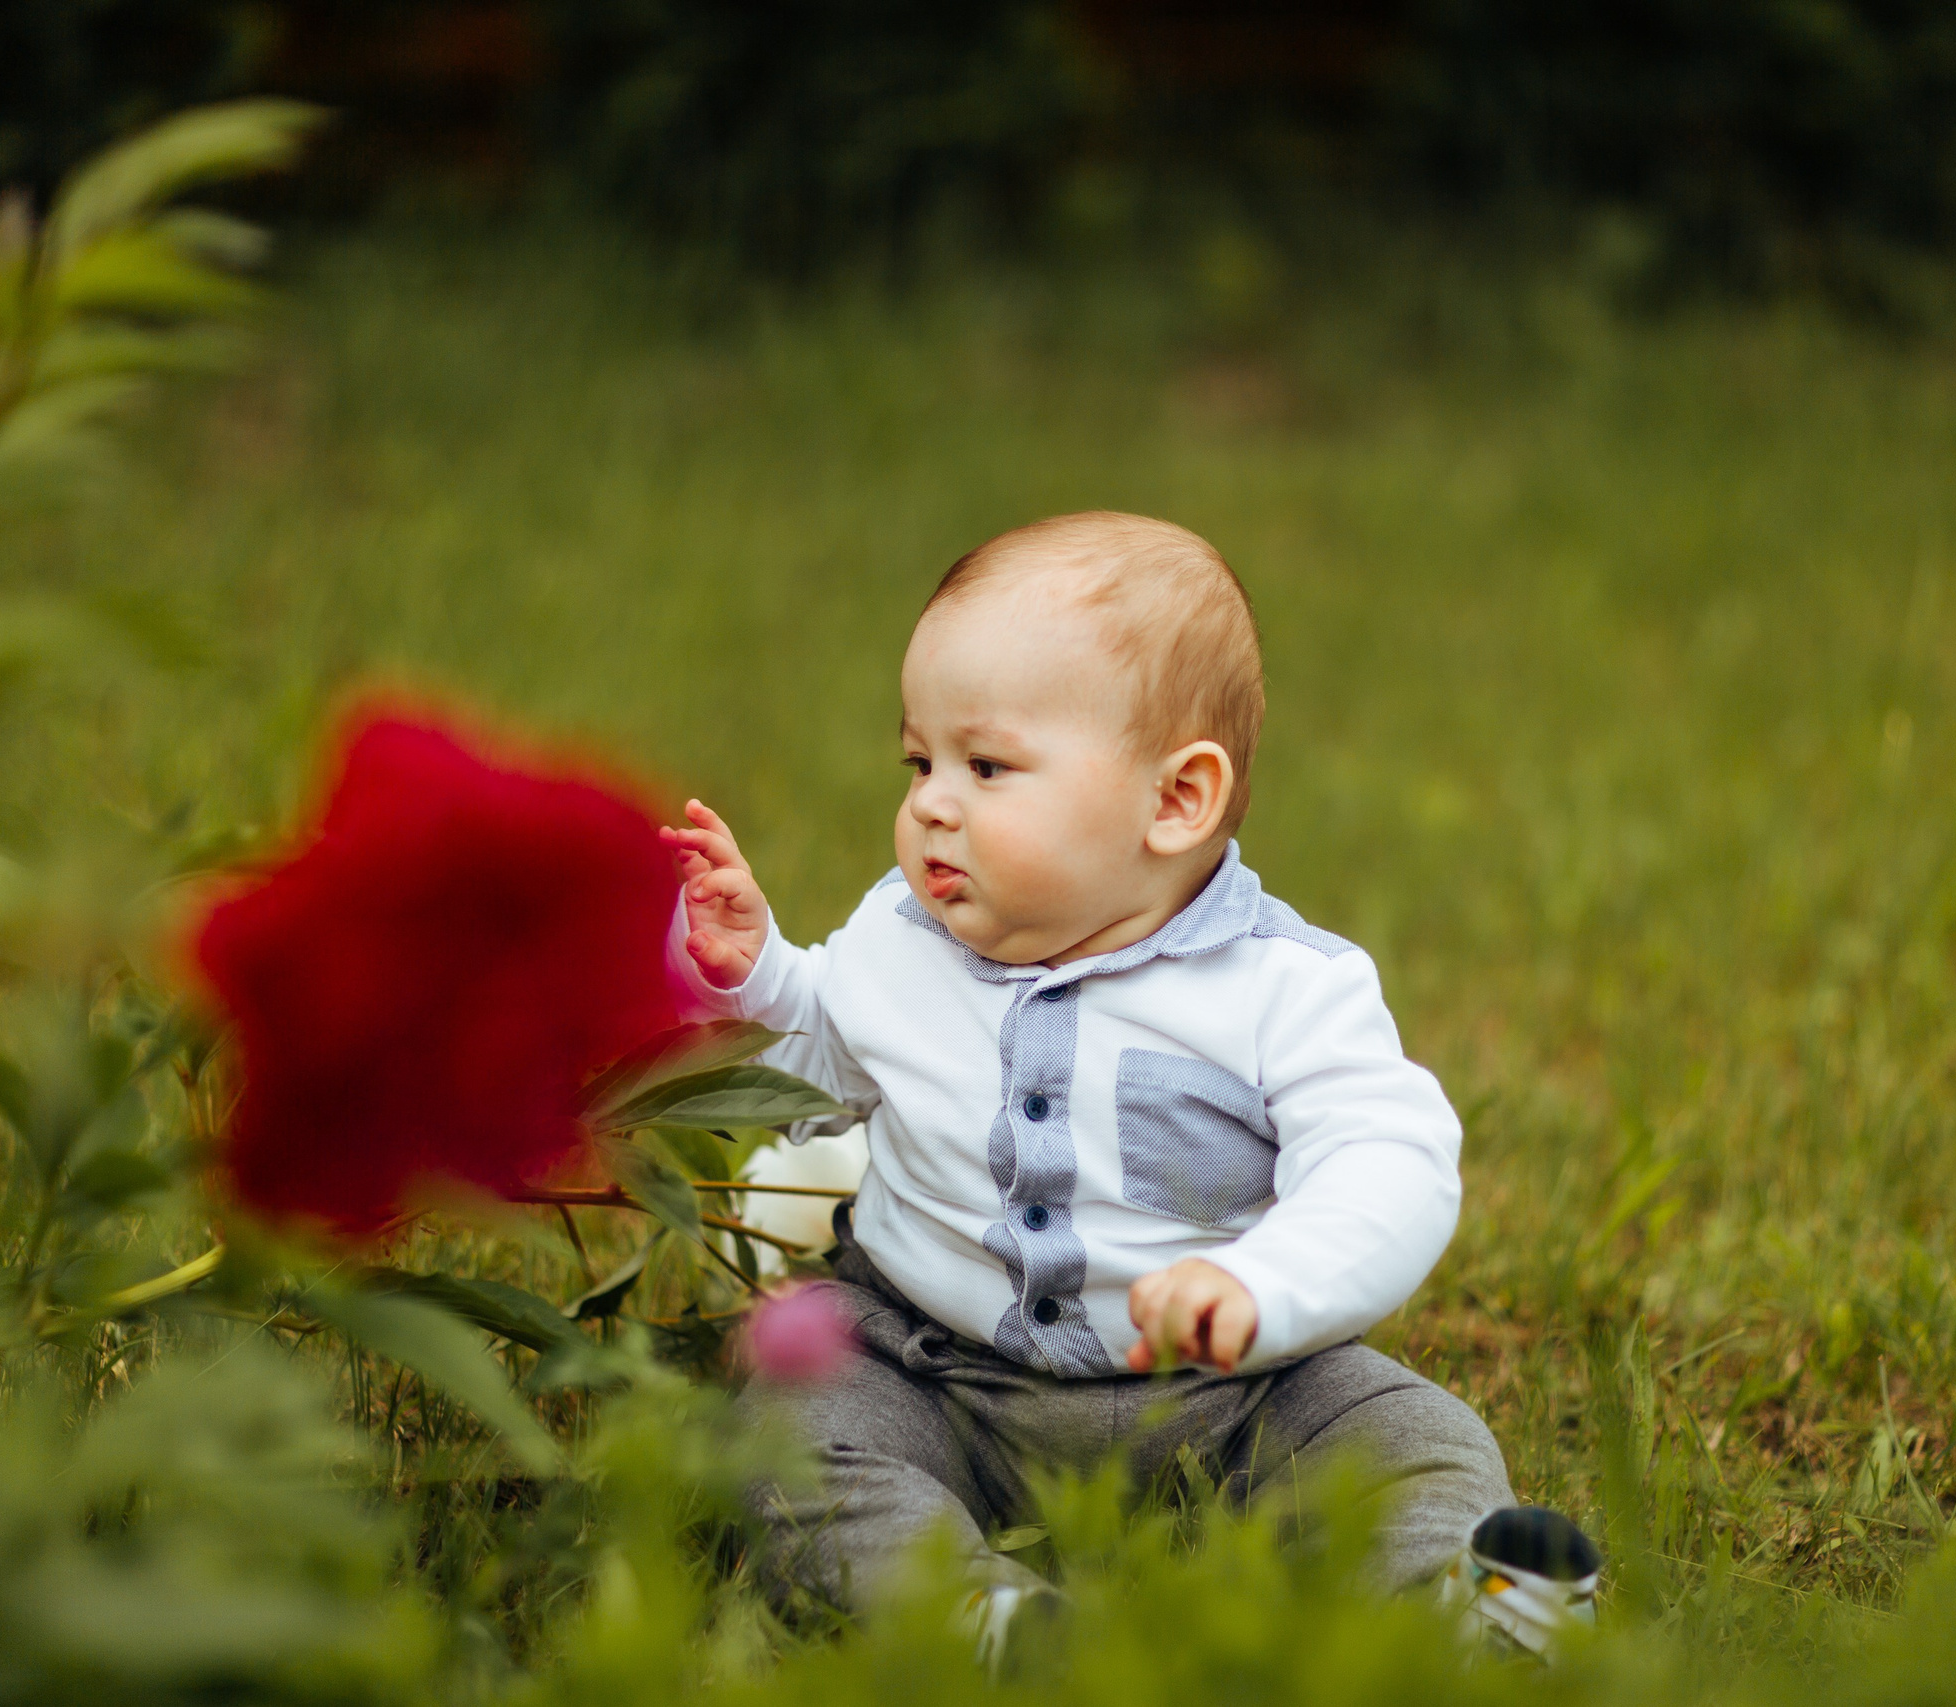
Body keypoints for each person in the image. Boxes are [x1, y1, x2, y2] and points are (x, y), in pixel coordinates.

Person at [664, 511, 1598, 1657]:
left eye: (986, 766)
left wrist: (1264, 1286)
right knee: (796, 1432)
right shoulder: (899, 940)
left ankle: (1464, 1608)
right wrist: (756, 976)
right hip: (930, 1366)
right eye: (919, 762)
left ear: (1174, 801)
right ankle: (977, 1621)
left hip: (1232, 1390)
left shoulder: (1281, 989)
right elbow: (822, 1063)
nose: (931, 804)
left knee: (1409, 1436)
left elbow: (1387, 1163)